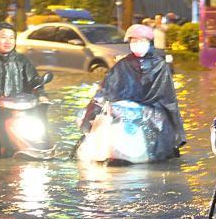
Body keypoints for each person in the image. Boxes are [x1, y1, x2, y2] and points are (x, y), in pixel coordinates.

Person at [79, 23, 185, 160]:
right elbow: (105, 91)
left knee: (162, 134)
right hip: (125, 113)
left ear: (149, 42)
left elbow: (168, 99)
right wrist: (89, 117)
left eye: (142, 41)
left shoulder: (160, 66)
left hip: (154, 112)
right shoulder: (122, 65)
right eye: (134, 41)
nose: (138, 44)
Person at [0, 22, 48, 156]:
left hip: (17, 112)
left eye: (11, 37)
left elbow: (33, 80)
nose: (8, 41)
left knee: (40, 133)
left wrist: (41, 94)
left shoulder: (22, 60)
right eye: (3, 37)